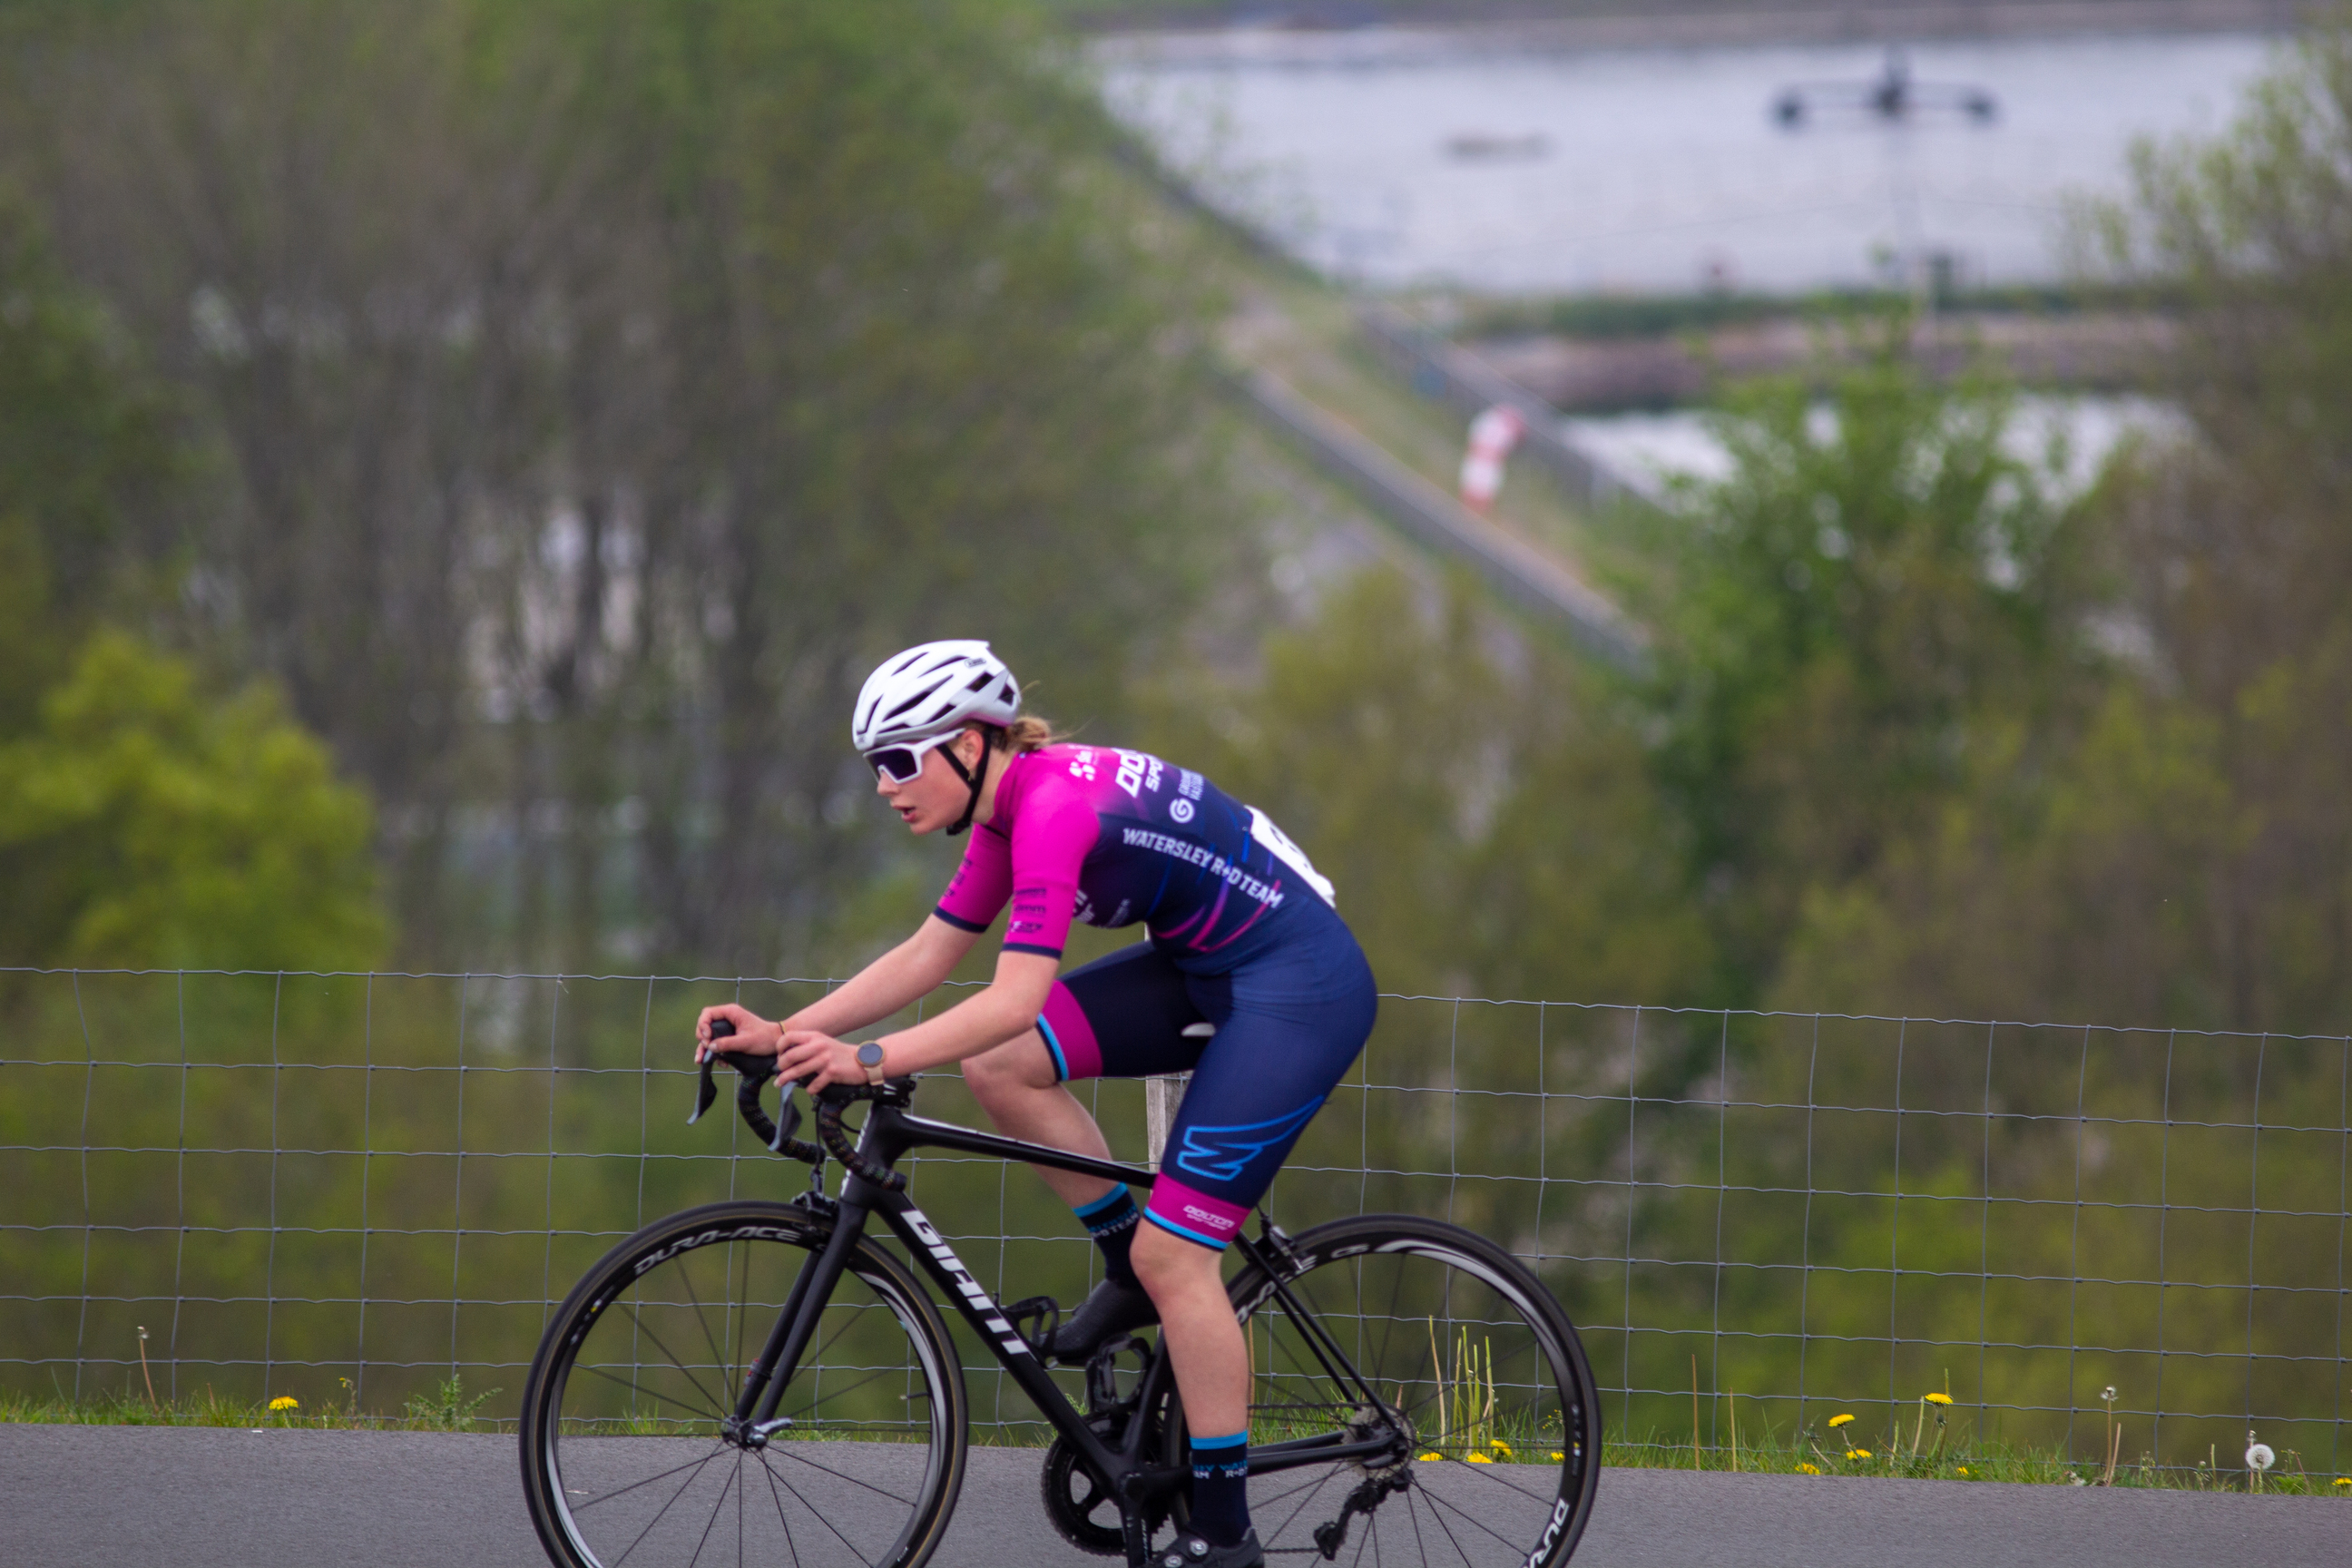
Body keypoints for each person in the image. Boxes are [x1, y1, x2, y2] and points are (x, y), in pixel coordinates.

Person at [695, 639, 1377, 1568]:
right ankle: (1127, 1267)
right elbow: (929, 955)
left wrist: (866, 1059)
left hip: (1298, 988)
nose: (886, 785)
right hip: (1210, 965)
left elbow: (1012, 995)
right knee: (1004, 1068)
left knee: (1182, 1257)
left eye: (900, 760)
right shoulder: (1005, 811)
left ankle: (1225, 1538)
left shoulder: (1052, 810)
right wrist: (784, 1031)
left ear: (970, 745)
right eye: (873, 766)